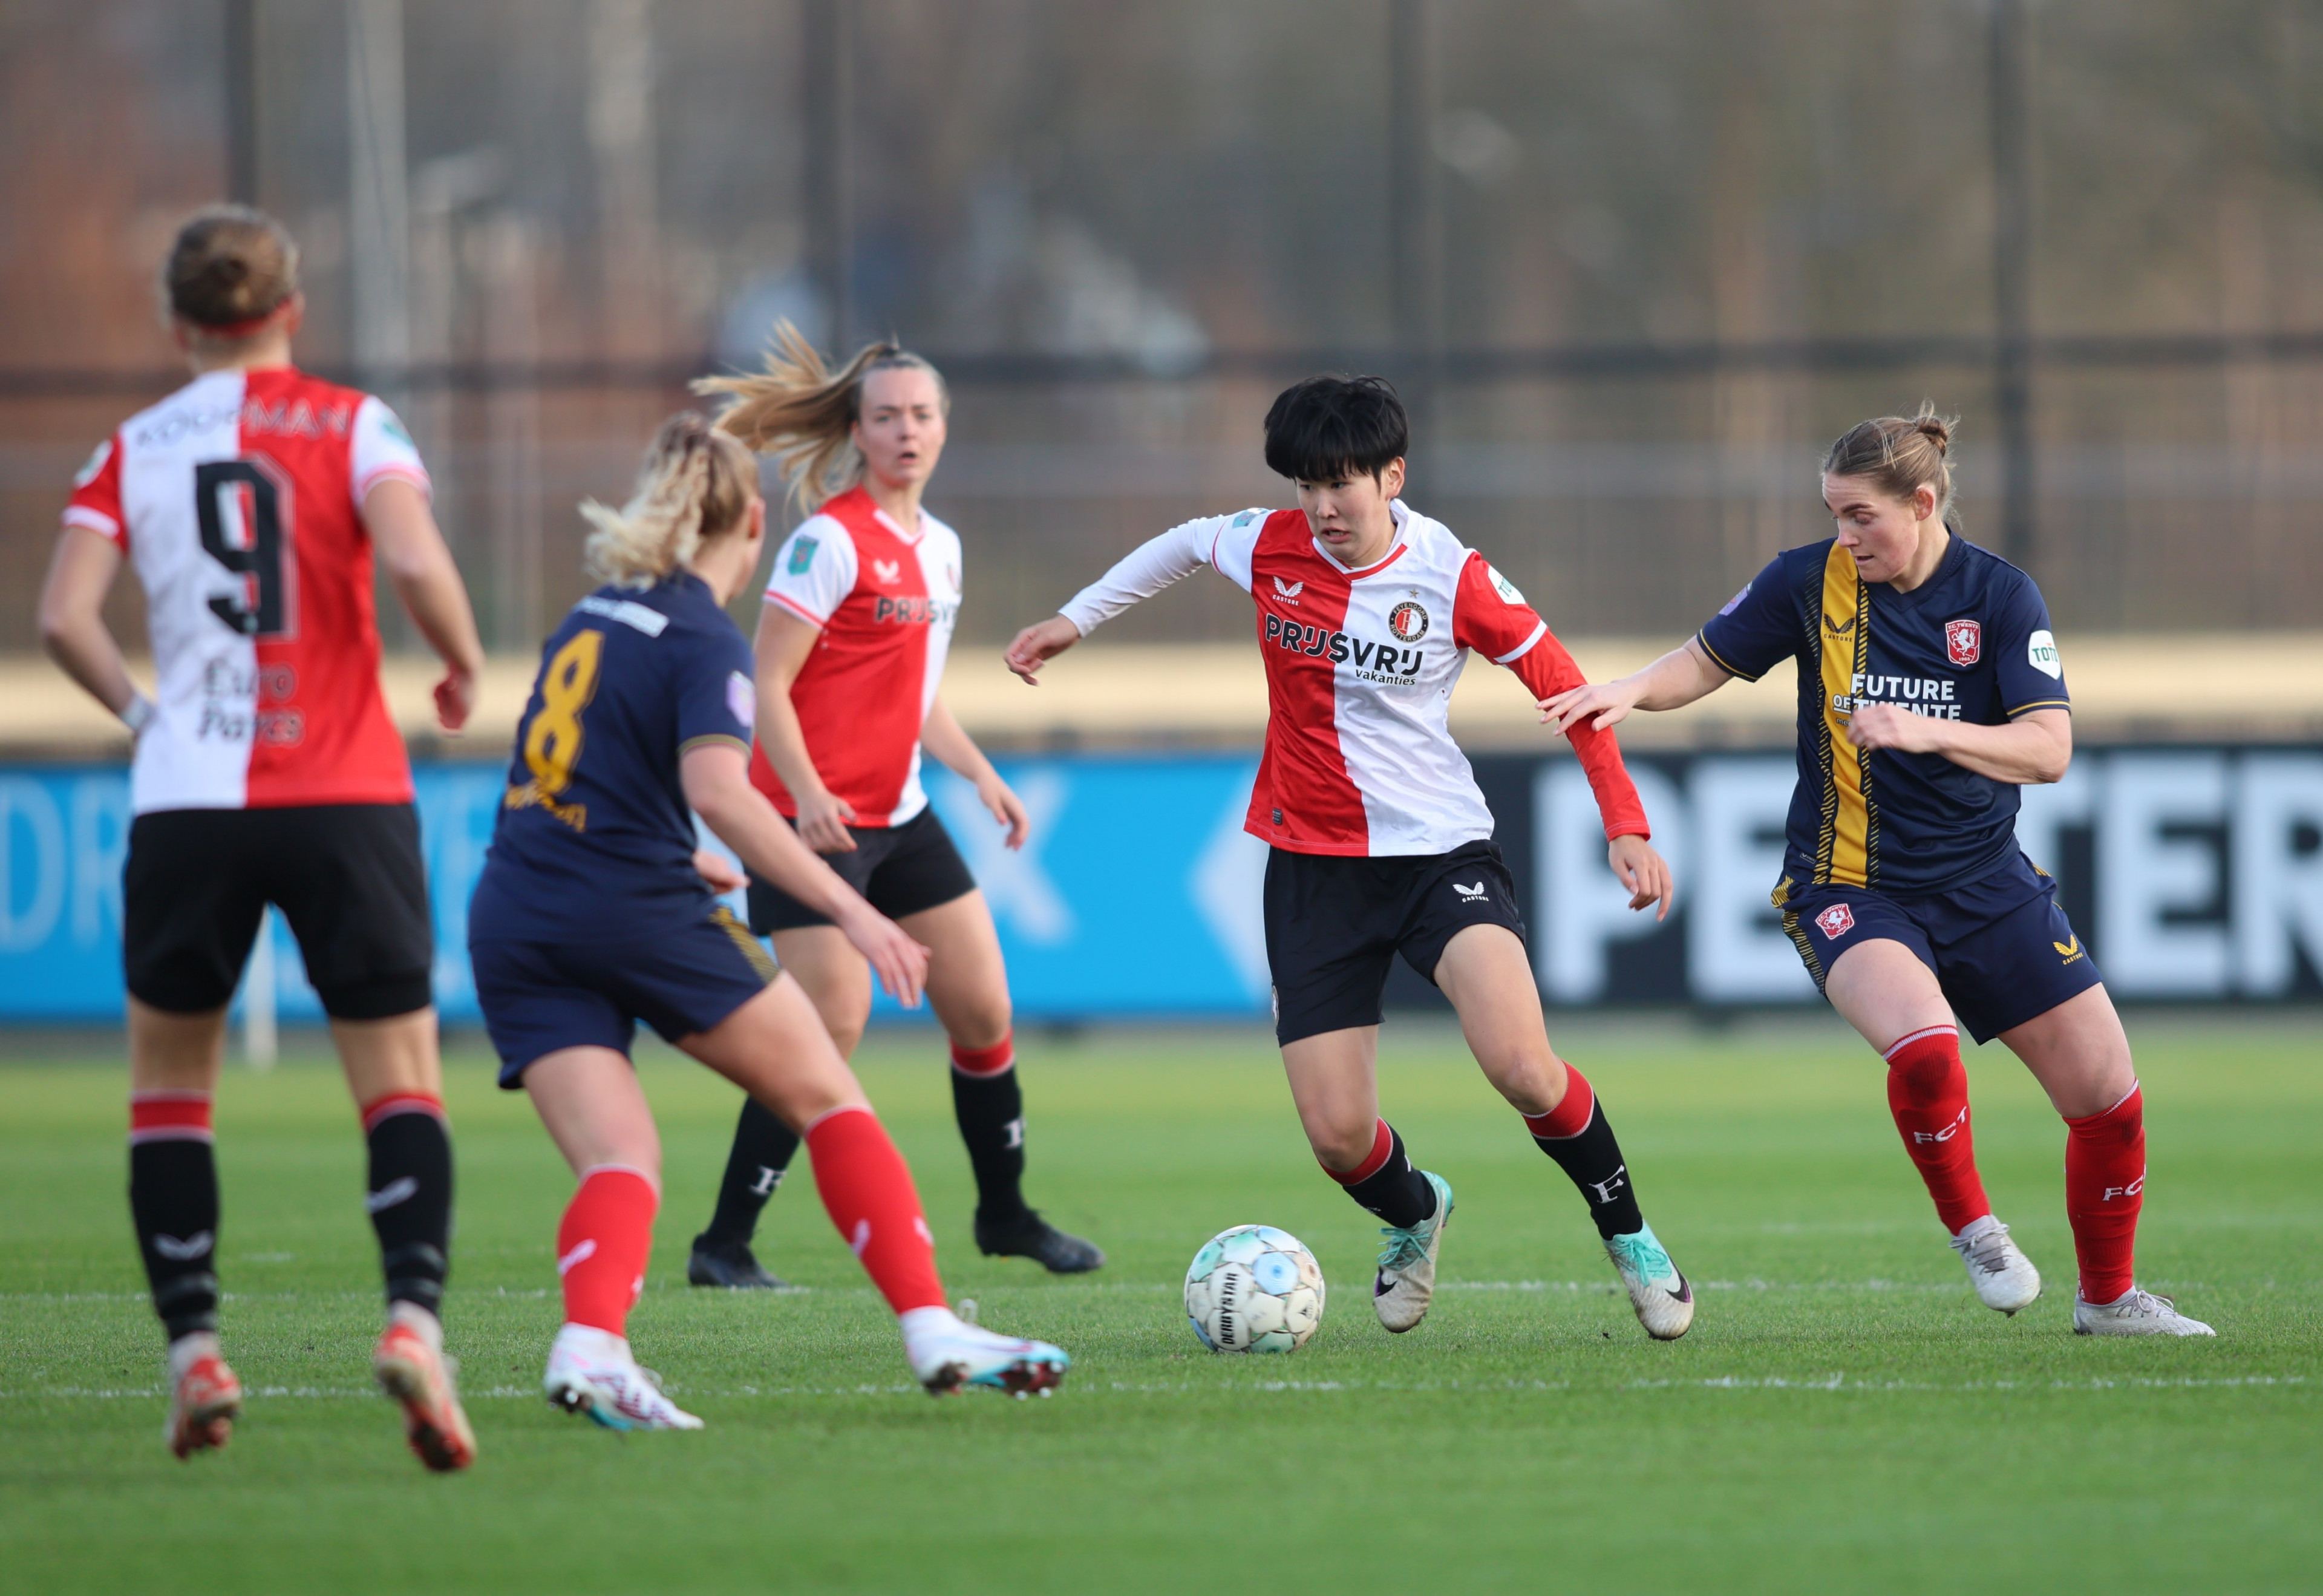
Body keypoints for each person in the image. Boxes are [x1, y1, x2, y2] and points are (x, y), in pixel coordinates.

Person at [1005, 375, 1694, 1340]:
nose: (1323, 505)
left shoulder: (1451, 573)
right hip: (1313, 867)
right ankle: (1416, 1210)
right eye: (1307, 484)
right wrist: (1074, 620)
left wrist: (1626, 822)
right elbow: (1183, 543)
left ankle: (1629, 1234)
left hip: (1439, 855)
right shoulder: (1268, 544)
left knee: (1523, 1066)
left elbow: (1568, 689)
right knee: (1337, 1137)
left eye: (1342, 483)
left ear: (1391, 477)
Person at [1543, 407, 2212, 1337]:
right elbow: (1703, 660)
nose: (1846, 534)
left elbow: (2049, 748)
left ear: (1923, 504)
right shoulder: (1806, 580)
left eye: (1862, 515)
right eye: (1835, 513)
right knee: (1927, 1049)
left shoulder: (2001, 596)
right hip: (1849, 885)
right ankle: (1977, 1231)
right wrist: (1629, 691)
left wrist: (1926, 729)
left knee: (2109, 1096)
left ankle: (2108, 1298)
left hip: (1987, 882)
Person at [468, 413, 1070, 1430]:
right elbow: (722, 787)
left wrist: (680, 856)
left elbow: (563, 780)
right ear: (752, 523)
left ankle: (591, 1344)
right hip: (632, 914)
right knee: (829, 1095)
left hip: (517, 912)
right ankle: (933, 1326)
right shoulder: (705, 635)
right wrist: (853, 908)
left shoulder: (592, 614)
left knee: (619, 1159)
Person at [36, 206, 488, 1467]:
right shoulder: (355, 424)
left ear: (178, 323)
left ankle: (195, 1352)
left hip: (189, 799)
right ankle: (412, 1322)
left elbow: (64, 614)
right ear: (291, 309)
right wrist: (459, 659)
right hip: (344, 789)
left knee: (171, 1087)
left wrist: (144, 716)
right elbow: (414, 557)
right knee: (399, 1078)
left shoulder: (132, 445)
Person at [672, 324, 1100, 1289]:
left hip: (899, 815)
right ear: (857, 432)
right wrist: (808, 792)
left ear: (944, 426)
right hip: (807, 821)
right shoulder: (827, 540)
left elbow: (916, 694)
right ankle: (724, 1242)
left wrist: (979, 772)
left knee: (983, 1008)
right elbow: (766, 682)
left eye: (922, 414)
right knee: (830, 1020)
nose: (907, 430)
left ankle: (1004, 1214)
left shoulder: (941, 547)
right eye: (887, 417)